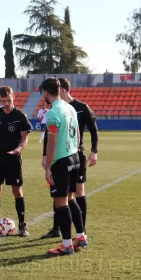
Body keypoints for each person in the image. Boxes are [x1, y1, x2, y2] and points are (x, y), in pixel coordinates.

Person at [41, 78, 98, 239]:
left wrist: (48, 167)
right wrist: (73, 151)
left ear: (46, 92)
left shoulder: (53, 112)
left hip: (61, 161)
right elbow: (78, 135)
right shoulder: (70, 108)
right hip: (75, 157)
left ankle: (66, 244)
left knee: (61, 202)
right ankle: (81, 236)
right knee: (71, 198)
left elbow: (51, 143)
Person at [0, 86, 32, 237]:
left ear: (13, 97)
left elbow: (25, 139)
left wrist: (18, 149)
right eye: (3, 101)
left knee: (17, 190)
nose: (6, 104)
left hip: (13, 157)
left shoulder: (20, 116)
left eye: (8, 100)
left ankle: (22, 225)